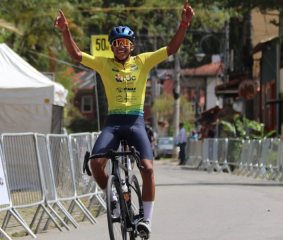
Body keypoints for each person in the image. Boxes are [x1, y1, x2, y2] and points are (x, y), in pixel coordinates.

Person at [54, 2, 194, 238]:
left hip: (136, 122)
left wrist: (184, 24)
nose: (121, 47)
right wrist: (66, 31)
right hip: (114, 123)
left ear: (131, 46)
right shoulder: (104, 63)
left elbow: (171, 48)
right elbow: (76, 55)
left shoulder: (142, 62)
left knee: (148, 169)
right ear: (111, 47)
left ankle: (146, 221)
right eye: (116, 44)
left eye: (125, 43)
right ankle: (116, 198)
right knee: (95, 163)